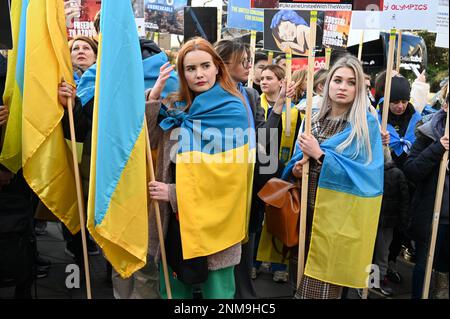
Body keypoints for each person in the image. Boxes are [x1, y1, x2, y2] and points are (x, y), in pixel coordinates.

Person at [145, 37, 254, 299]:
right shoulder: (175, 105)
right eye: (190, 69)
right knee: (173, 292)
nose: (199, 74)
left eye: (205, 66)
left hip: (217, 222)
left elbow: (231, 176)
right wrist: (155, 95)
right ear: (182, 73)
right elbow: (147, 140)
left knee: (217, 293)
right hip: (175, 222)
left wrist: (173, 192)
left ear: (218, 67)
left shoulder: (233, 107)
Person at [282, 55, 384, 299]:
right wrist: (296, 170)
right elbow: (295, 162)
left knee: (321, 289)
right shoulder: (312, 120)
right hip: (306, 215)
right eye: (337, 80)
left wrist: (320, 155)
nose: (343, 87)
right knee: (298, 281)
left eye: (351, 82)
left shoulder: (364, 125)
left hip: (336, 222)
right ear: (327, 84)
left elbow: (366, 178)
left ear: (359, 88)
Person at [214, 39, 296, 298]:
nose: (251, 67)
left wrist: (277, 109)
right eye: (244, 60)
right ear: (223, 64)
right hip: (219, 184)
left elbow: (262, 140)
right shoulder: (207, 95)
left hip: (249, 186)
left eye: (250, 60)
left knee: (244, 247)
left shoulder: (248, 95)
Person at [254, 64, 302, 284]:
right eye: (261, 78)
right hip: (258, 168)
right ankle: (254, 262)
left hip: (282, 170)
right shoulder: (255, 104)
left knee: (281, 217)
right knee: (256, 218)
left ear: (281, 82)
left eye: (269, 78)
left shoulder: (295, 111)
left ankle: (278, 264)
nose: (263, 82)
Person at [404, 92, 449, 299]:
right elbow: (412, 170)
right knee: (424, 265)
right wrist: (438, 148)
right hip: (434, 214)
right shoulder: (429, 133)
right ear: (446, 107)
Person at [371, 148, 410, 297]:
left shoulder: (396, 174)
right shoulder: (377, 173)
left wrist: (402, 221)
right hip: (379, 219)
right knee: (377, 251)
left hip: (386, 221)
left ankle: (377, 280)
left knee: (381, 251)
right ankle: (371, 280)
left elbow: (403, 200)